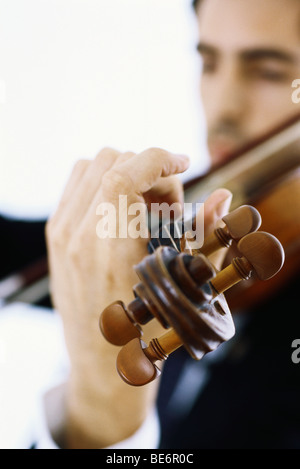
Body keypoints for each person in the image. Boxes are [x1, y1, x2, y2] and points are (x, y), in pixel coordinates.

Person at [5, 0, 300, 449]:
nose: (223, 108)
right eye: (208, 63)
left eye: (269, 72)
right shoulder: (188, 232)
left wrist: (104, 411)